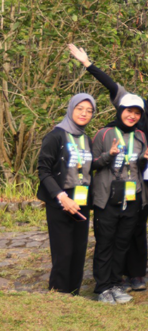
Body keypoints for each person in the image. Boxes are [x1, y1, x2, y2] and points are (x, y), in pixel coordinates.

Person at [67, 43, 148, 292]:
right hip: (112, 187)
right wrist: (88, 64)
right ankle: (108, 282)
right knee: (111, 235)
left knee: (133, 231)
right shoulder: (122, 121)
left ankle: (131, 275)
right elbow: (111, 85)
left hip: (142, 186)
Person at [90, 95, 148, 304]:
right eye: (129, 111)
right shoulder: (104, 133)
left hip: (131, 196)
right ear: (120, 110)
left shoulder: (141, 136)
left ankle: (116, 284)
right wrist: (108, 155)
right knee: (105, 243)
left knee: (122, 243)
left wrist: (145, 160)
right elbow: (92, 164)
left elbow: (138, 168)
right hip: (107, 197)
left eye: (137, 113)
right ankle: (102, 288)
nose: (132, 116)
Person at [37, 94, 97, 295]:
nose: (84, 113)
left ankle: (74, 294)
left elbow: (86, 167)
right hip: (60, 200)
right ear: (71, 108)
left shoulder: (86, 138)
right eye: (80, 108)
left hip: (82, 198)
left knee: (79, 251)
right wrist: (62, 197)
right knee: (63, 252)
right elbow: (43, 171)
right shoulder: (56, 136)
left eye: (89, 111)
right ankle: (58, 295)